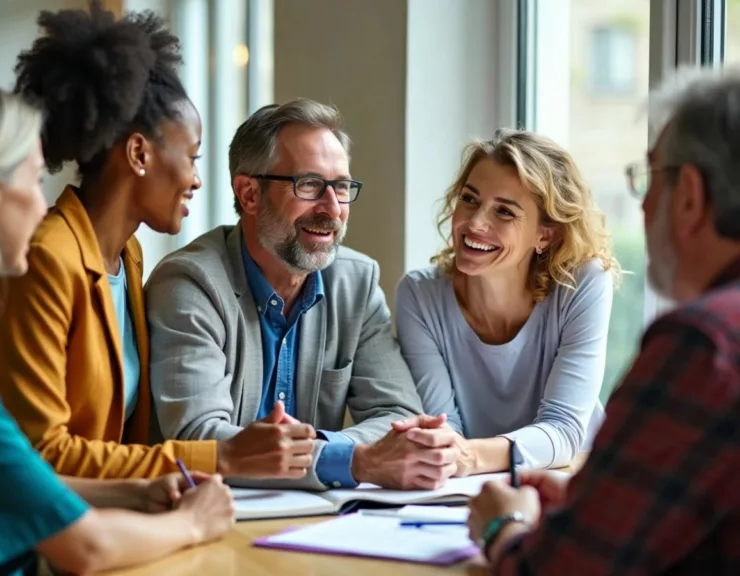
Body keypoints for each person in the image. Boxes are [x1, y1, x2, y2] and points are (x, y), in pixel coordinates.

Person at [0, 1, 314, 480]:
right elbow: (43, 455)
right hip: (50, 535)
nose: (197, 180)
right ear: (139, 153)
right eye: (193, 157)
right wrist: (221, 456)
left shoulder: (127, 256)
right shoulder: (47, 259)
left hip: (117, 515)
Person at [467, 66, 740, 575]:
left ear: (690, 197)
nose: (642, 203)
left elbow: (556, 569)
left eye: (650, 176)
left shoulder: (704, 344)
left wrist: (502, 527)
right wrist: (598, 502)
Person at [0, 82, 235, 576]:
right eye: (32, 182)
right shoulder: (50, 258)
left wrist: (138, 489)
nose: (40, 204)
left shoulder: (129, 257)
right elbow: (82, 542)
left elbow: (19, 480)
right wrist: (197, 519)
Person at [145, 99, 459, 491]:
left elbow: (398, 414)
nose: (331, 209)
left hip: (311, 520)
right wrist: (354, 461)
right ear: (249, 195)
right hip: (203, 517)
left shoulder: (356, 283)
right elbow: (199, 439)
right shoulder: (190, 283)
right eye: (309, 185)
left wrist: (326, 453)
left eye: (341, 187)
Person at [393, 130, 618, 474]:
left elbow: (565, 429)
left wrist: (467, 456)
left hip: (574, 481)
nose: (475, 222)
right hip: (467, 488)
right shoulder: (419, 296)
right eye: (470, 199)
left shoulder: (583, 282)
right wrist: (456, 455)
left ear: (546, 234)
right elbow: (442, 427)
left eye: (504, 212)